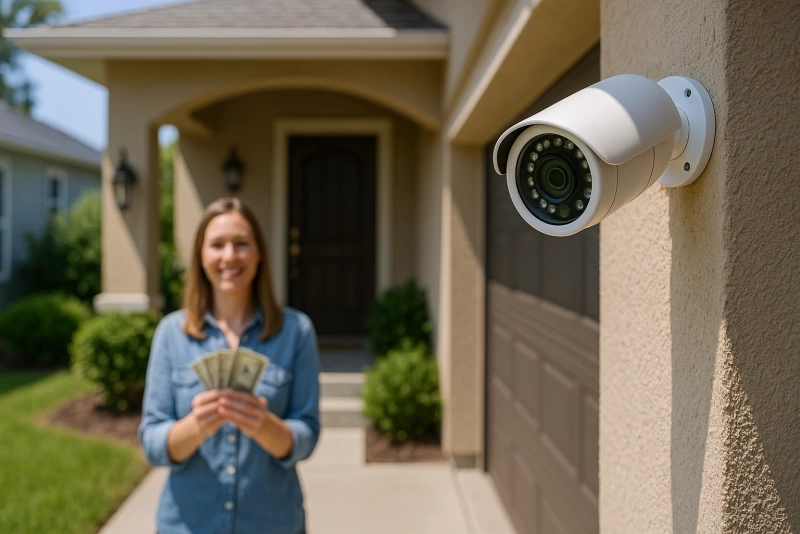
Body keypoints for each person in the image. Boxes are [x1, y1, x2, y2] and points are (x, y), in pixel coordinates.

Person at [139, 197, 321, 534]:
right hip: (187, 525)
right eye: (217, 245)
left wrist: (264, 425)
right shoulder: (171, 334)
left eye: (241, 244)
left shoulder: (296, 332)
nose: (229, 256)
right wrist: (196, 426)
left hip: (273, 524)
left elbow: (307, 434)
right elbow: (151, 441)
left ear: (260, 252)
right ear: (200, 256)